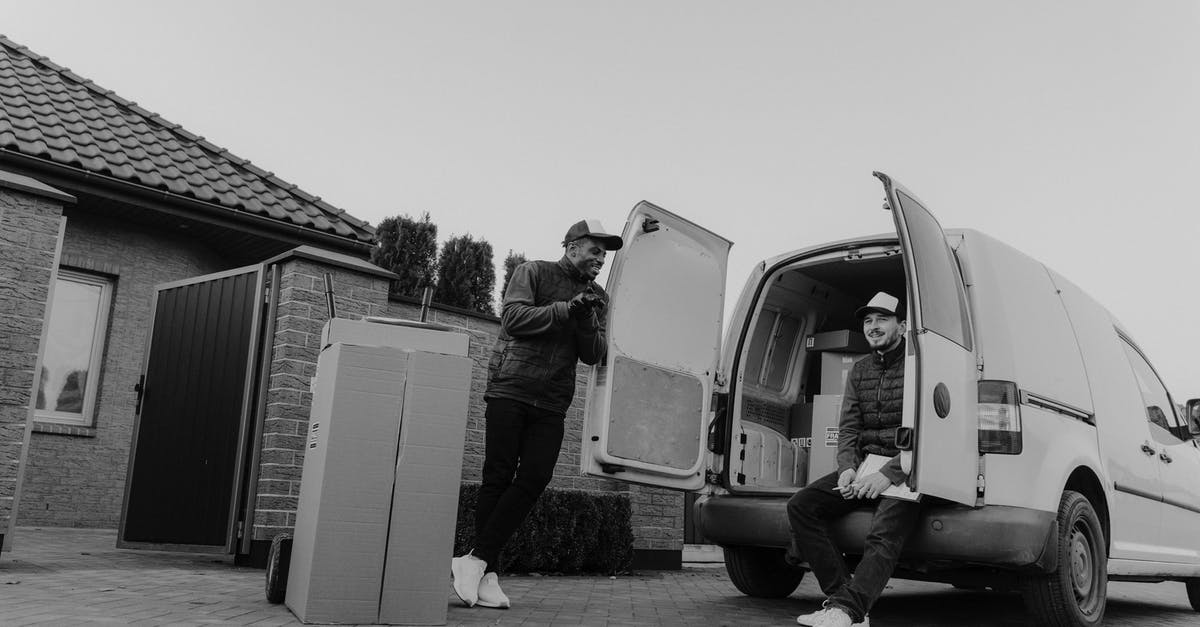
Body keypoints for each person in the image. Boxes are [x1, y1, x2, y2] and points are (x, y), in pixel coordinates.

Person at [450, 219, 623, 609]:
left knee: (534, 477)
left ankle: (475, 561)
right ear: (573, 246)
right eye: (595, 251)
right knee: (497, 478)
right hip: (511, 386)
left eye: (605, 255)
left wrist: (583, 318)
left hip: (552, 400)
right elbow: (513, 320)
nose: (601, 260)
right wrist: (566, 308)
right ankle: (487, 574)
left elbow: (594, 353)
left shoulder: (597, 296)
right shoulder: (534, 272)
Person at [787, 291, 917, 627]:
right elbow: (848, 428)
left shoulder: (922, 366)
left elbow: (931, 431)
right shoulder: (860, 370)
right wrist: (847, 469)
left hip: (911, 466)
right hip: (865, 465)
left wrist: (889, 474)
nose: (873, 327)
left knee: (882, 532)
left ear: (902, 326)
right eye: (868, 320)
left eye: (882, 319)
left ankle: (848, 612)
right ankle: (842, 600)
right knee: (802, 505)